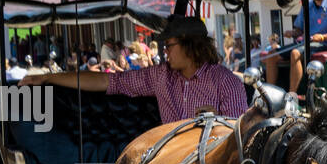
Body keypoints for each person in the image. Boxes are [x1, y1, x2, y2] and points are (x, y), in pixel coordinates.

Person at [22, 16, 246, 125]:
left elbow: (238, 132)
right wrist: (48, 77)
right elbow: (108, 82)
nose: (165, 52)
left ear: (190, 45)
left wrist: (216, 121)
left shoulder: (226, 82)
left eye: (169, 45)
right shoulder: (160, 75)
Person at [266, 0, 327, 93]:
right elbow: (299, 30)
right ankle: (269, 94)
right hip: (307, 43)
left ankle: (292, 95)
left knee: (295, 53)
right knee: (271, 54)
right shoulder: (308, 4)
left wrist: (322, 37)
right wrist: (292, 33)